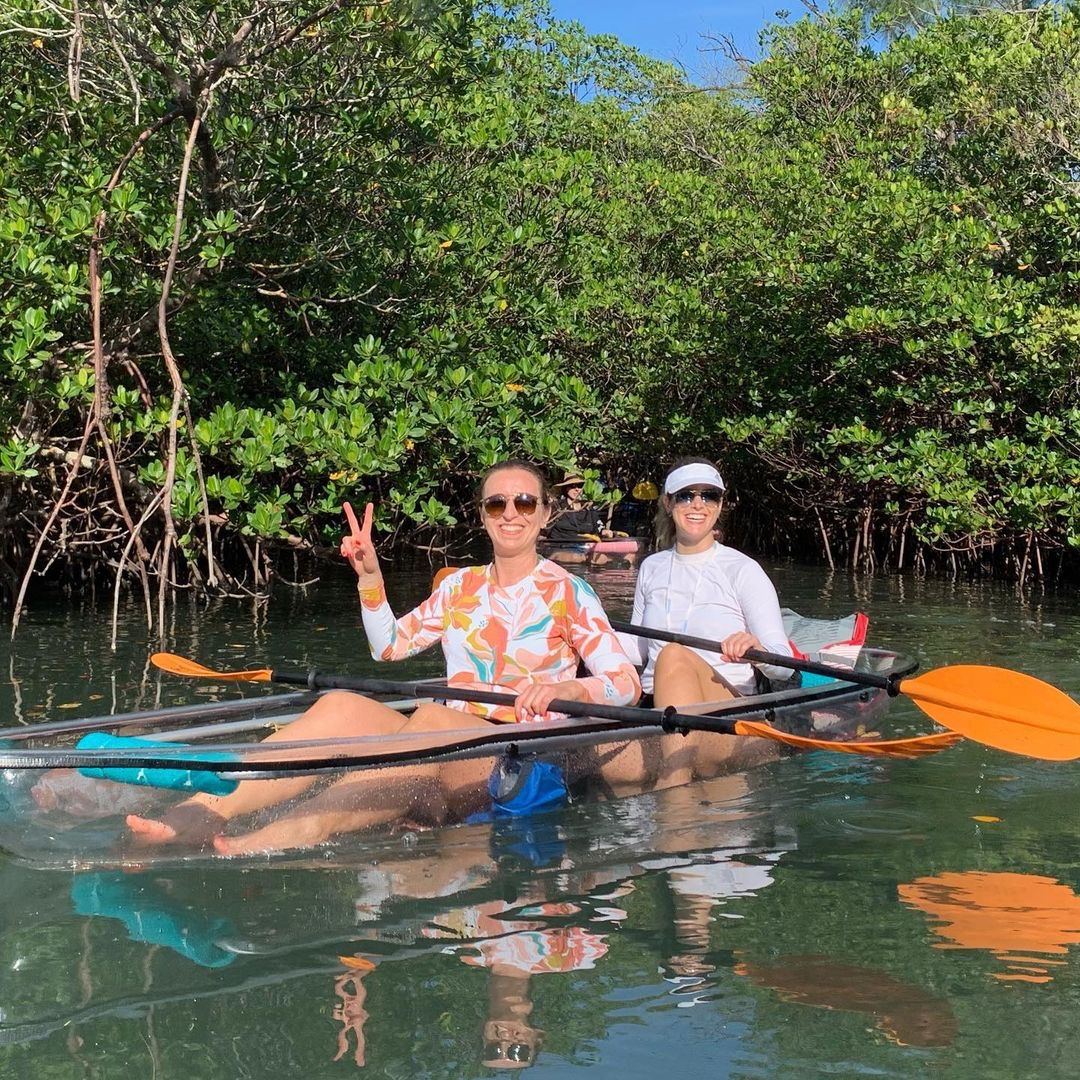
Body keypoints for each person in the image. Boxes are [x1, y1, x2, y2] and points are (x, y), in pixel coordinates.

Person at [123, 459, 641, 855]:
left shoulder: (570, 592)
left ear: (545, 513)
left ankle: (302, 825)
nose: (510, 514)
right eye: (496, 504)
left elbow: (625, 683)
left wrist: (570, 689)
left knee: (431, 716)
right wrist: (371, 581)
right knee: (342, 704)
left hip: (521, 760)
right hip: (451, 735)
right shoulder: (460, 586)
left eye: (524, 503)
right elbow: (389, 646)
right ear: (482, 516)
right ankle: (207, 810)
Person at [615, 456, 794, 790]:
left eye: (708, 495)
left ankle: (674, 798)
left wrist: (756, 650)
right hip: (655, 708)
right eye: (685, 495)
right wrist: (586, 629)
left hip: (727, 712)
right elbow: (638, 651)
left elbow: (783, 663)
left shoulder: (742, 570)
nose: (697, 504)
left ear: (720, 504)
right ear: (668, 503)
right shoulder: (651, 567)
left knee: (672, 653)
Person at [542, 474, 610, 544]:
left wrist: (604, 531)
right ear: (566, 488)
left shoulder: (588, 508)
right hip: (560, 548)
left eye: (580, 486)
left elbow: (599, 526)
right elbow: (545, 527)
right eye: (573, 486)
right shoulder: (556, 507)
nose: (577, 489)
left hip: (585, 548)